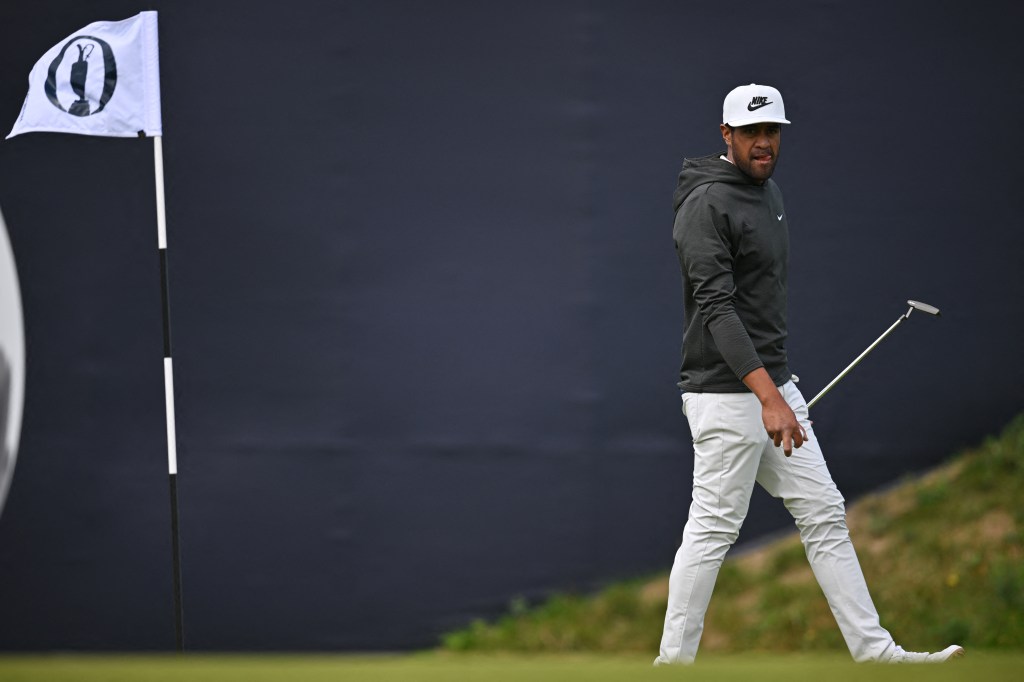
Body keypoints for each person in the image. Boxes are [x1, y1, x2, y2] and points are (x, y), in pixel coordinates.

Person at [654, 83, 964, 665]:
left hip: (771, 387)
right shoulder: (706, 204)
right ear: (727, 136)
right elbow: (717, 309)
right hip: (726, 396)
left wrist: (777, 392)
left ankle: (875, 654)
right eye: (751, 133)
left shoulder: (766, 191)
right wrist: (771, 398)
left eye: (772, 131)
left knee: (823, 513)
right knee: (713, 530)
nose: (764, 142)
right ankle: (671, 667)